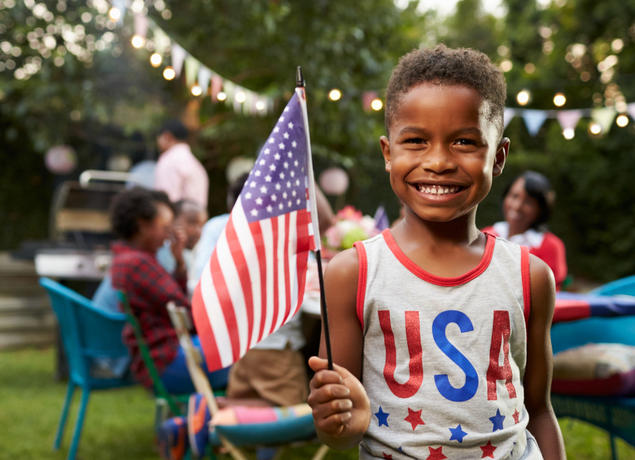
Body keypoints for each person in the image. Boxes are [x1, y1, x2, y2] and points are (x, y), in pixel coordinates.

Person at [307, 45, 565, 459]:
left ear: (498, 157)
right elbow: (341, 431)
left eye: (464, 141)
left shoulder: (530, 277)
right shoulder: (351, 274)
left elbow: (538, 410)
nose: (439, 161)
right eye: (415, 141)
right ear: (388, 153)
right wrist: (340, 424)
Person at [109, 187, 229, 394]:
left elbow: (171, 302)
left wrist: (179, 262)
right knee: (242, 348)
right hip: (168, 361)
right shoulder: (138, 263)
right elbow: (186, 315)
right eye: (165, 227)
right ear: (143, 226)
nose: (168, 235)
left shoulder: (125, 259)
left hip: (156, 362)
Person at [483, 171, 568, 290]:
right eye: (514, 196)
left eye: (528, 202)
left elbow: (551, 291)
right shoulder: (486, 235)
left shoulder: (551, 246)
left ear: (541, 209)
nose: (517, 206)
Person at [154, 119, 209, 210]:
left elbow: (166, 199)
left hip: (178, 220)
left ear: (167, 136)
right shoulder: (194, 162)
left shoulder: (169, 160)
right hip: (197, 219)